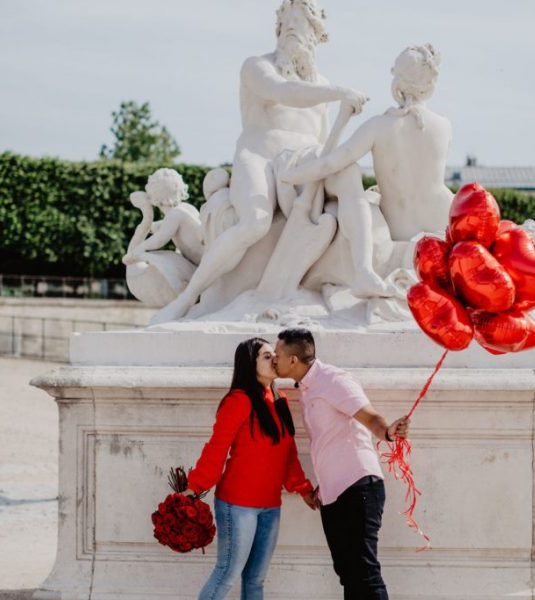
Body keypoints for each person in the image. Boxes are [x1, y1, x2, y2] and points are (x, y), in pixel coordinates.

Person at [151, 0, 373, 322]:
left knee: (347, 173)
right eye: (287, 27)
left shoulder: (322, 86)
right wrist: (339, 93)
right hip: (258, 154)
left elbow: (326, 147)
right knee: (255, 221)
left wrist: (342, 120)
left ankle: (362, 270)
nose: (292, 34)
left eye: (301, 28)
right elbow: (283, 91)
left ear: (316, 35)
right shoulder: (257, 67)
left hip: (299, 163)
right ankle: (187, 299)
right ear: (278, 30)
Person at [273, 328, 410, 600]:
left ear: (293, 360)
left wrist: (388, 432)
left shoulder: (333, 379)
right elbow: (327, 442)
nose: (274, 360)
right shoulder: (308, 388)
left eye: (277, 355)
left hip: (358, 486)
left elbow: (369, 417)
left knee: (364, 573)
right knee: (348, 574)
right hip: (334, 492)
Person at [183, 337, 315, 600]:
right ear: (250, 364)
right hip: (237, 505)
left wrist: (303, 489)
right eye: (267, 356)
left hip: (270, 505)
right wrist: (194, 488)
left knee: (255, 580)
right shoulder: (238, 400)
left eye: (274, 355)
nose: (275, 360)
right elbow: (216, 449)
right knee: (226, 574)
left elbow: (287, 453)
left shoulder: (280, 400)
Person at [281, 43, 454, 241]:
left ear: (396, 81)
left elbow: (331, 163)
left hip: (399, 227)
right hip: (444, 220)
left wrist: (288, 176)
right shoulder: (444, 126)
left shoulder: (378, 126)